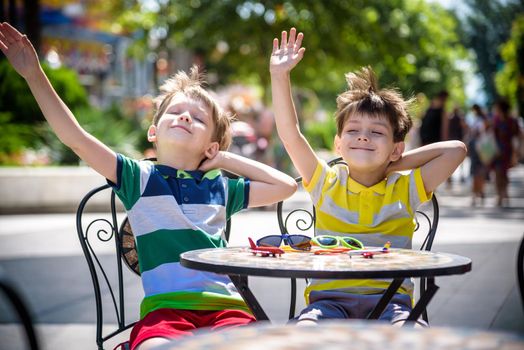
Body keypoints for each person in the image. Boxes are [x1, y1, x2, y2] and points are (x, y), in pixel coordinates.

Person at [0, 22, 297, 350]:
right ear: (153, 133)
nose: (185, 118)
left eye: (198, 119)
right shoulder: (137, 177)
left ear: (211, 147)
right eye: (176, 112)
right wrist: (33, 75)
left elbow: (285, 187)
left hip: (227, 310)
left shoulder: (221, 188)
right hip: (164, 312)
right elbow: (76, 138)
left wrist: (224, 161)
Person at [269, 28, 467, 326]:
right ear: (338, 144)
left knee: (413, 338)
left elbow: (456, 150)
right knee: (302, 334)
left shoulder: (405, 188)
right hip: (328, 305)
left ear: (395, 148)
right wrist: (279, 75)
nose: (363, 138)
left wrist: (392, 165)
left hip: (392, 304)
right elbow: (289, 134)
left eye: (376, 133)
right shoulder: (325, 182)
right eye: (352, 131)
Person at [491, 99, 521, 207]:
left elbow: (516, 136)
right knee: (497, 173)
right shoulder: (496, 120)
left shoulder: (512, 121)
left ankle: (504, 193)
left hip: (508, 150)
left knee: (504, 173)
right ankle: (500, 194)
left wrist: (515, 153)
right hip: (497, 150)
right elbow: (492, 135)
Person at [467, 104, 490, 206]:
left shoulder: (479, 120)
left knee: (476, 172)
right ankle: (479, 193)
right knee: (480, 171)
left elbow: (479, 133)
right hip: (482, 148)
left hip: (478, 148)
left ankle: (476, 194)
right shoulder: (482, 119)